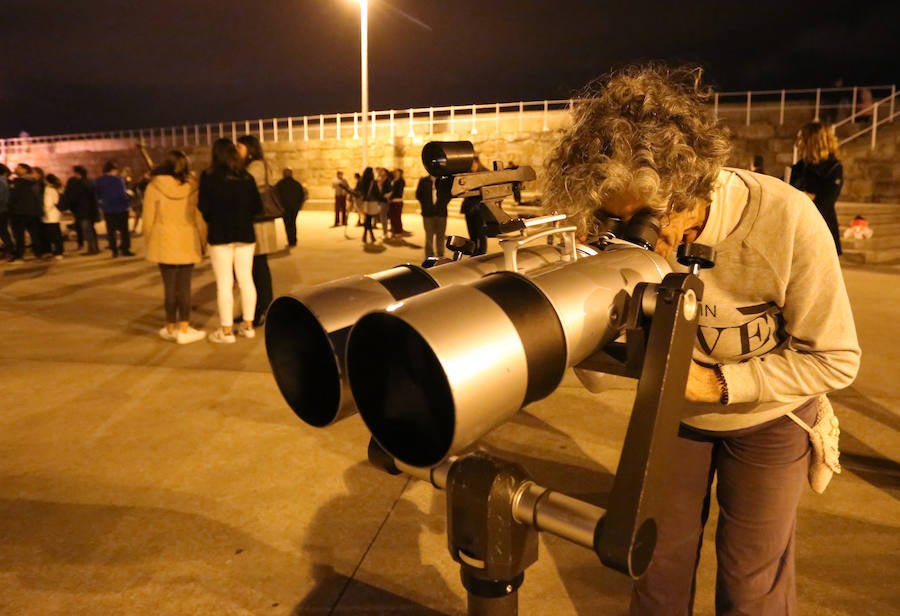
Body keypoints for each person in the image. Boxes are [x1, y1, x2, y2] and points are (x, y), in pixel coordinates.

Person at [542, 64, 860, 615]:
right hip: (675, 416)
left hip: (772, 416)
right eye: (613, 220)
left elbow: (835, 359)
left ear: (692, 183)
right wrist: (580, 295)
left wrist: (717, 383)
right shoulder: (621, 238)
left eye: (646, 218)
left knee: (750, 582)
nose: (633, 238)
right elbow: (595, 380)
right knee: (656, 571)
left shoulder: (787, 217)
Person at [198, 138, 261, 343]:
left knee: (224, 283)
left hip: (220, 235)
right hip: (245, 234)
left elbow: (203, 206)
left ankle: (226, 331)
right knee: (246, 280)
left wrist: (214, 218)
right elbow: (257, 207)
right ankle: (248, 326)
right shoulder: (246, 177)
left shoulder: (208, 177)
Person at [143, 150, 207, 344]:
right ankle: (184, 329)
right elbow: (200, 220)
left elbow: (147, 220)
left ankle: (170, 327)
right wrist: (203, 243)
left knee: (169, 287)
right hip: (187, 238)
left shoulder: (154, 187)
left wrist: (150, 241)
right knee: (185, 287)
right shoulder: (192, 188)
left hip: (163, 240)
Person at [236, 134, 279, 327]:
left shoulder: (256, 167)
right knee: (255, 267)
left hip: (259, 224)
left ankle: (264, 308)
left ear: (250, 149)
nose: (237, 152)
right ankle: (255, 308)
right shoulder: (257, 166)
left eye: (240, 148)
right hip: (257, 223)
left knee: (259, 267)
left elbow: (242, 187)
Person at [790, 121, 844, 256]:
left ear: (813, 141)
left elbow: (825, 202)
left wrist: (801, 197)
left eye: (800, 139)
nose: (797, 144)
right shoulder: (801, 166)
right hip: (799, 231)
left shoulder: (833, 167)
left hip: (820, 233)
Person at [94, 160, 134, 257]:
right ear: (113, 170)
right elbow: (122, 194)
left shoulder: (99, 181)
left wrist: (101, 205)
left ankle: (114, 250)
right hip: (121, 208)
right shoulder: (118, 180)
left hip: (108, 209)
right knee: (124, 230)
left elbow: (97, 195)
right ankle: (125, 249)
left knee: (111, 231)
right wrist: (128, 200)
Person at [7, 163, 45, 262]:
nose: (15, 169)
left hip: (19, 212)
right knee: (34, 234)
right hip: (33, 212)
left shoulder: (19, 182)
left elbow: (13, 197)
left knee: (19, 236)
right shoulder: (34, 182)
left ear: (24, 170)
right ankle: (38, 253)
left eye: (18, 168)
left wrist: (10, 209)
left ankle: (20, 255)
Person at [62, 165, 100, 255]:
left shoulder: (79, 184)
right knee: (90, 230)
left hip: (83, 211)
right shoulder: (89, 182)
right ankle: (94, 248)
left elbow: (73, 197)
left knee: (87, 230)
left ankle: (92, 250)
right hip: (89, 210)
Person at [460, 155, 489, 255]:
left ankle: (482, 252)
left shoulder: (484, 173)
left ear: (477, 163)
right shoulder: (468, 174)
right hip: (469, 207)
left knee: (481, 232)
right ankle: (474, 251)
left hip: (480, 207)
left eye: (473, 164)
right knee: (472, 232)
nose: (471, 166)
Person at [416, 174, 448, 259]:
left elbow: (448, 195)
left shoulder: (443, 181)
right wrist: (425, 205)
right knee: (429, 235)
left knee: (440, 235)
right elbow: (418, 195)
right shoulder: (423, 181)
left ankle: (440, 254)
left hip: (441, 213)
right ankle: (429, 255)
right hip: (428, 213)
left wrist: (442, 205)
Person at [275, 168, 306, 247]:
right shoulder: (297, 184)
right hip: (294, 207)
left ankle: (290, 240)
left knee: (288, 224)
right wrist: (299, 205)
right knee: (293, 223)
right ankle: (293, 240)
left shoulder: (280, 184)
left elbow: (275, 195)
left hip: (284, 207)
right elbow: (302, 195)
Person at [41, 173, 65, 259]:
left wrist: (44, 211)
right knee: (56, 233)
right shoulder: (56, 188)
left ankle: (58, 252)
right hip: (55, 214)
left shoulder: (48, 189)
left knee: (53, 234)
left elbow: (48, 203)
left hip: (50, 215)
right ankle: (59, 251)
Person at [387, 168, 410, 238]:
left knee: (397, 217)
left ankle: (398, 231)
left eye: (397, 172)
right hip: (392, 201)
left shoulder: (401, 181)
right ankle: (394, 231)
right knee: (392, 217)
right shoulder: (393, 180)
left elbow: (398, 191)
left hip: (397, 201)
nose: (395, 174)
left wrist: (390, 197)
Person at [359, 167, 378, 244]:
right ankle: (369, 235)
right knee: (368, 219)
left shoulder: (361, 181)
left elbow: (359, 190)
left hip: (364, 202)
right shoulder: (373, 182)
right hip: (371, 202)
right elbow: (376, 192)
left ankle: (366, 235)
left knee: (367, 219)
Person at [0, 164, 13, 257]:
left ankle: (9, 250)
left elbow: (1, 197)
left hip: (1, 209)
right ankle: (9, 249)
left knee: (3, 231)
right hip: (5, 209)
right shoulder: (6, 181)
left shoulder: (1, 181)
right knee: (3, 231)